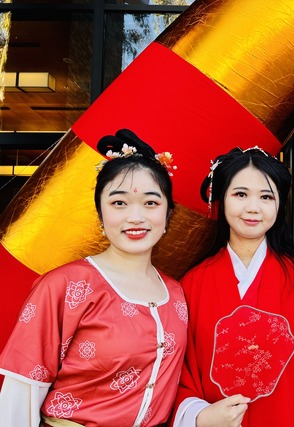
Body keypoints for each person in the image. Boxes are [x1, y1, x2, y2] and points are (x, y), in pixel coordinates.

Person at [0, 129, 188, 426]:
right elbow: (23, 391)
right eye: (119, 203)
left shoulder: (176, 294)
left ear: (168, 214)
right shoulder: (65, 285)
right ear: (100, 214)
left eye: (151, 203)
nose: (135, 217)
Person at [171, 147, 294, 427]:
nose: (253, 208)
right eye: (240, 194)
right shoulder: (192, 284)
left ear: (279, 203)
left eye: (266, 197)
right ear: (221, 199)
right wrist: (199, 416)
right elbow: (179, 374)